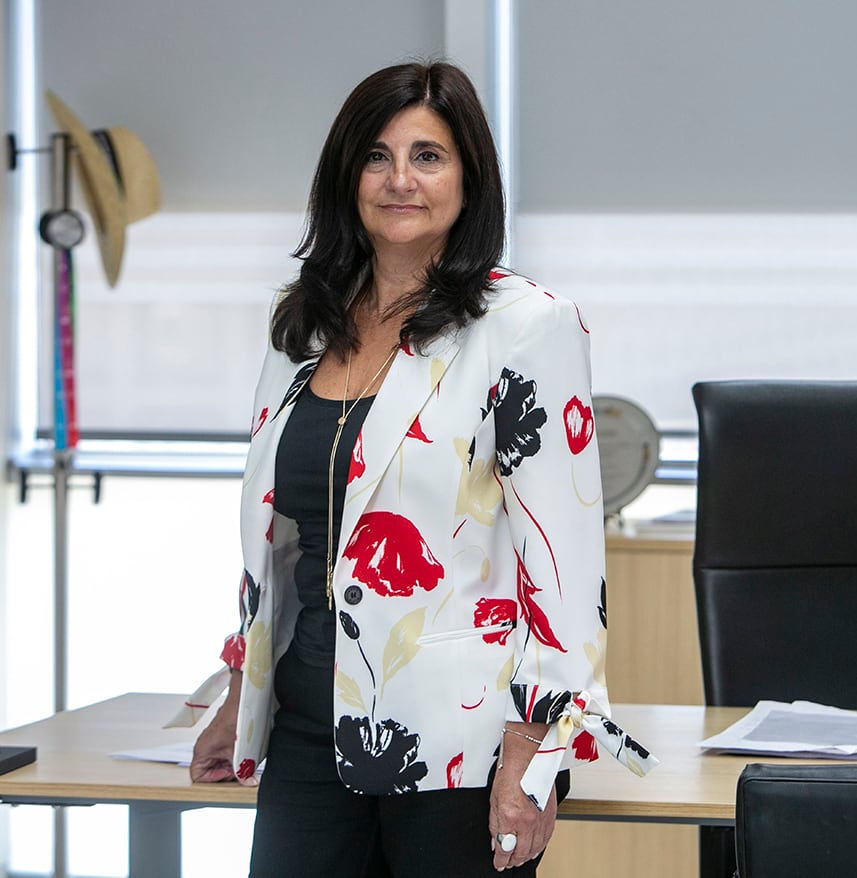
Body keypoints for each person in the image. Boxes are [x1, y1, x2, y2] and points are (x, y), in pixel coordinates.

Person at [187, 60, 654, 876]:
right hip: (306, 727)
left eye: (428, 156)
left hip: (461, 747)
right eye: (376, 156)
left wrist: (535, 748)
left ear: (470, 179)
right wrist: (241, 689)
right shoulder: (299, 323)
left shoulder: (525, 328)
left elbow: (565, 566)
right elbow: (283, 538)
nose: (400, 179)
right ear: (346, 178)